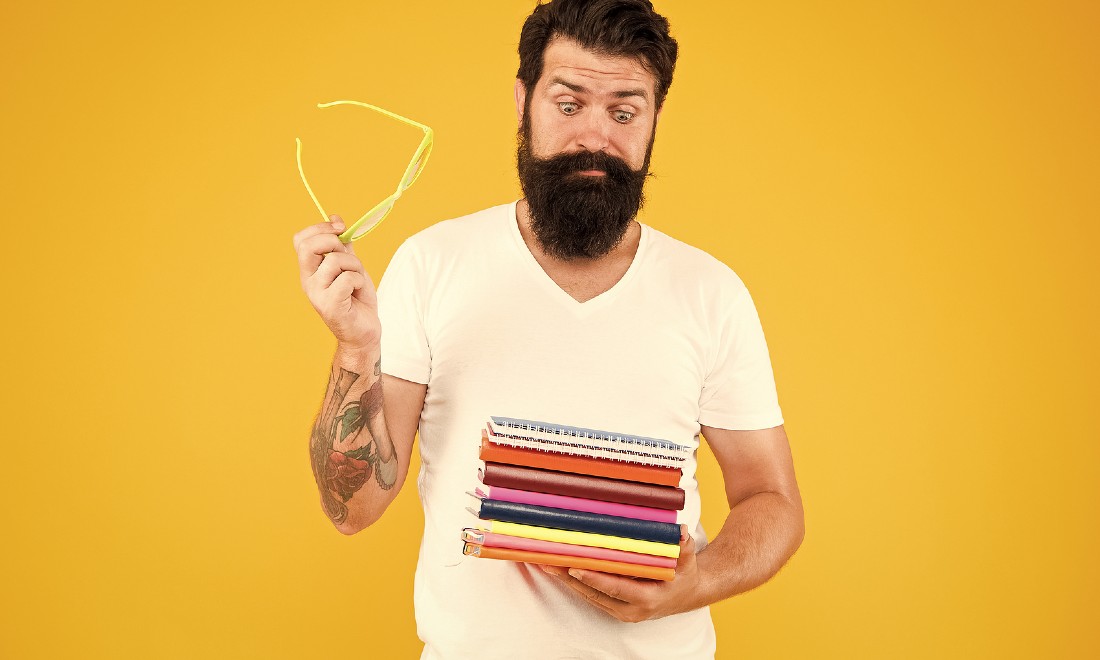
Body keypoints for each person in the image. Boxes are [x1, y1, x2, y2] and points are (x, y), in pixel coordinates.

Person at [292, 1, 804, 657]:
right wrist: (356, 345)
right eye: (569, 105)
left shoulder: (711, 293)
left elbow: (773, 500)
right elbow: (351, 510)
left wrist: (695, 582)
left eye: (624, 111)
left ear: (654, 120)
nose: (595, 136)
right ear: (523, 101)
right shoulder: (433, 264)